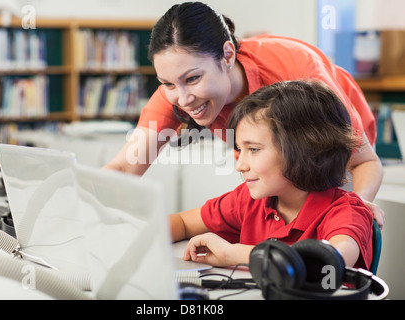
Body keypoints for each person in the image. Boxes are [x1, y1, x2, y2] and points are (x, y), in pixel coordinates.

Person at [104, 2, 385, 228]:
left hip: (338, 153)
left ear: (227, 56)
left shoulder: (298, 73)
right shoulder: (177, 93)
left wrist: (357, 206)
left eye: (192, 79)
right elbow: (125, 167)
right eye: (167, 83)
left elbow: (363, 162)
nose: (183, 98)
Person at [170, 80, 373, 269]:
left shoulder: (346, 213)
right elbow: (183, 223)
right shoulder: (248, 200)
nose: (240, 166)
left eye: (254, 149)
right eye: (240, 149)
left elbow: (325, 262)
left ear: (305, 150)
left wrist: (232, 253)